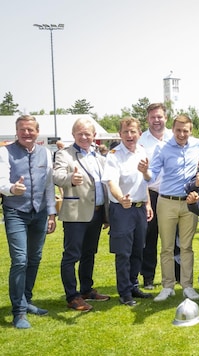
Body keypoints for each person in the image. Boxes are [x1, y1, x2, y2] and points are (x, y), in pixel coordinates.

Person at [141, 114, 199, 302]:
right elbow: (152, 175)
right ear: (173, 129)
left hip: (189, 203)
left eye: (185, 131)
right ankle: (168, 286)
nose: (181, 134)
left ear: (191, 130)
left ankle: (187, 286)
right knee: (167, 247)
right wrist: (144, 172)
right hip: (167, 202)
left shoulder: (197, 145)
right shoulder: (162, 148)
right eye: (178, 130)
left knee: (186, 247)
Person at [0, 115, 57, 329]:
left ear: (37, 131)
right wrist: (12, 189)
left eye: (30, 129)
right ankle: (19, 311)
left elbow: (49, 186)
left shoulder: (46, 153)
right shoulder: (5, 152)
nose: (26, 133)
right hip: (16, 211)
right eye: (22, 129)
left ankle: (27, 299)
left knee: (35, 258)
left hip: (40, 213)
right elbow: (2, 181)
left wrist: (52, 214)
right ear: (16, 131)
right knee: (20, 260)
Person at [54, 118, 111, 312]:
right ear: (73, 135)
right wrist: (71, 178)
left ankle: (87, 290)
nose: (84, 137)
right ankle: (72, 296)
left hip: (96, 213)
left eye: (88, 133)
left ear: (94, 136)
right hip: (75, 214)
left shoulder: (99, 156)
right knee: (71, 256)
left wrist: (106, 214)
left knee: (89, 254)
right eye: (80, 133)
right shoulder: (64, 154)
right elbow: (56, 176)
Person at [102, 117, 154, 306]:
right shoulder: (114, 155)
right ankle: (124, 292)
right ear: (120, 134)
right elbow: (111, 182)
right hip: (122, 209)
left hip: (139, 209)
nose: (130, 135)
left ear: (139, 133)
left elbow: (145, 180)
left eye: (133, 132)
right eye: (126, 132)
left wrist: (148, 203)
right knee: (123, 253)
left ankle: (133, 285)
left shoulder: (142, 151)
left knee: (138, 250)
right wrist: (121, 198)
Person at [138, 103, 173, 290]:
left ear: (165, 117)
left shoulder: (175, 137)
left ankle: (174, 276)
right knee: (149, 238)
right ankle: (148, 277)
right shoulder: (141, 140)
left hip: (172, 192)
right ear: (147, 119)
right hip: (150, 193)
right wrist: (146, 201)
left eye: (159, 116)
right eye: (153, 117)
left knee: (172, 238)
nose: (156, 120)